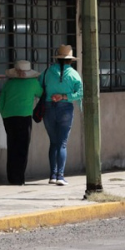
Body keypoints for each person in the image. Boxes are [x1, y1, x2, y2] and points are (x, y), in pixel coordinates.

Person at [43, 44, 83, 186]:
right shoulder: (74, 74)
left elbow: (40, 86)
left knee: (53, 142)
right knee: (62, 143)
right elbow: (79, 93)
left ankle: (52, 175)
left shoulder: (47, 71)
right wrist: (64, 96)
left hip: (48, 108)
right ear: (70, 60)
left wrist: (52, 95)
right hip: (65, 109)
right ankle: (60, 176)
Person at [0, 59, 43, 185]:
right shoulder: (33, 83)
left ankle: (11, 177)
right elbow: (41, 94)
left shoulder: (9, 84)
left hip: (8, 117)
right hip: (24, 117)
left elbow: (1, 102)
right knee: (22, 148)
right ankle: (19, 178)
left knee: (12, 146)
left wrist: (5, 114)